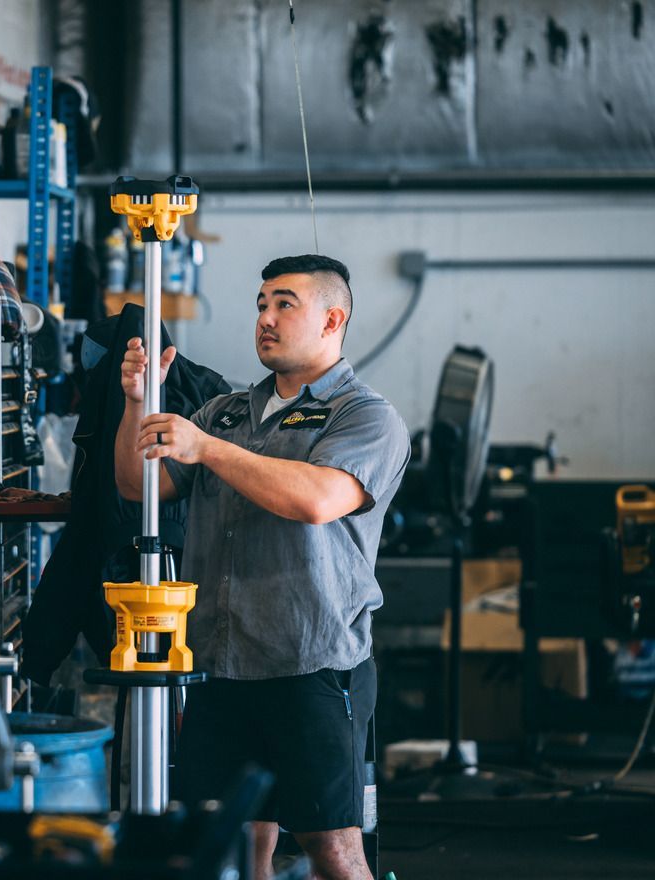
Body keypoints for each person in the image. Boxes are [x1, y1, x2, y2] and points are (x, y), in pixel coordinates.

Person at [114, 254, 410, 880]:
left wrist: (208, 449)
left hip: (311, 664)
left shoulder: (366, 416)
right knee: (239, 840)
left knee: (331, 846)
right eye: (260, 305)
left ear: (333, 319)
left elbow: (315, 500)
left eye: (284, 305)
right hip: (220, 662)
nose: (265, 319)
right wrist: (136, 406)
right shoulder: (225, 412)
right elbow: (140, 486)